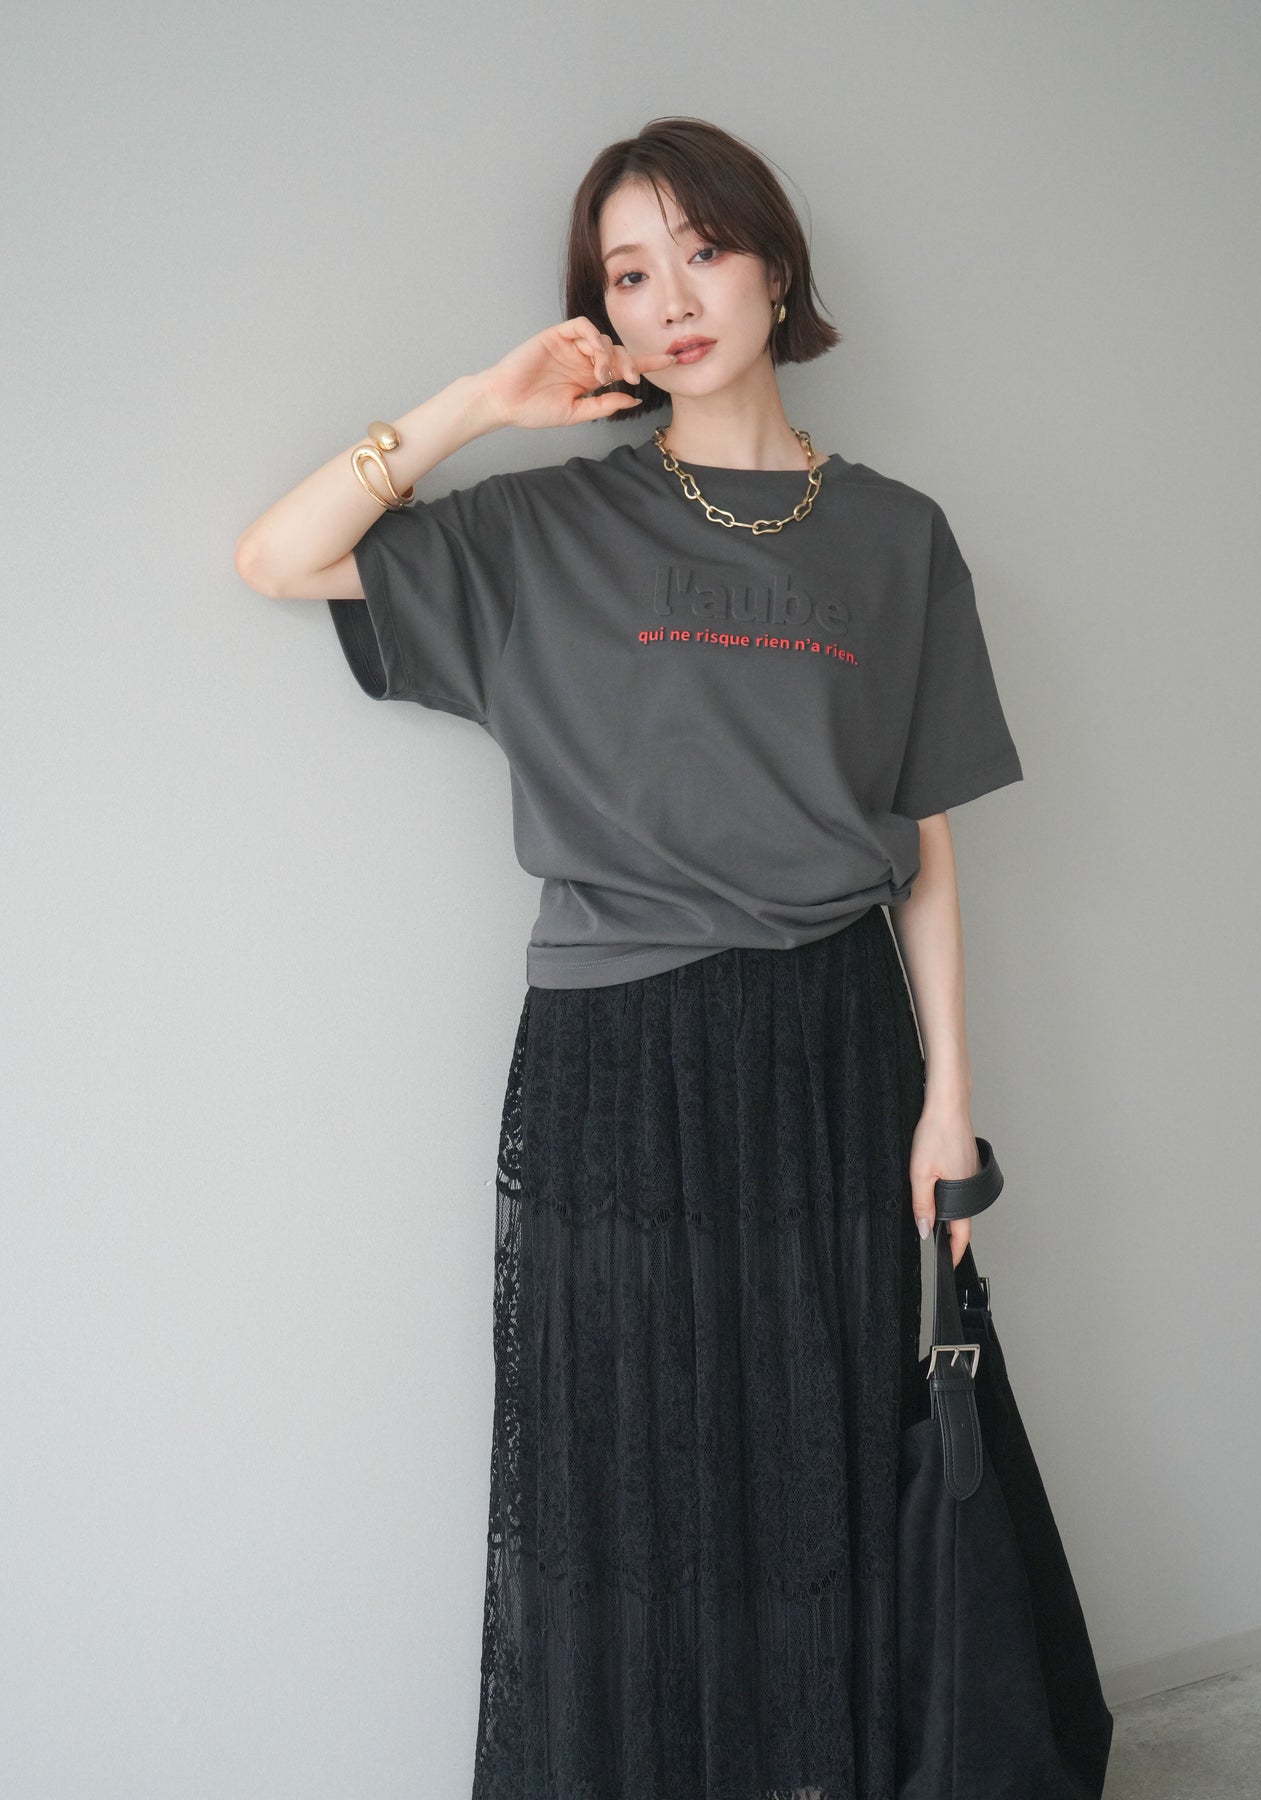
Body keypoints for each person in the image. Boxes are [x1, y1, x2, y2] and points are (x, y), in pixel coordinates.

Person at [235, 115, 1023, 1800]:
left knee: (816, 1448)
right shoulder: (546, 527)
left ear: (775, 268)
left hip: (833, 1046)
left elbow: (925, 833)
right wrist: (479, 403)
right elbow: (277, 557)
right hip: (619, 1053)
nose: (672, 297)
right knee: (630, 1467)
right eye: (627, 271)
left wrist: (947, 1100)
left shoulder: (896, 537)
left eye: (702, 251)